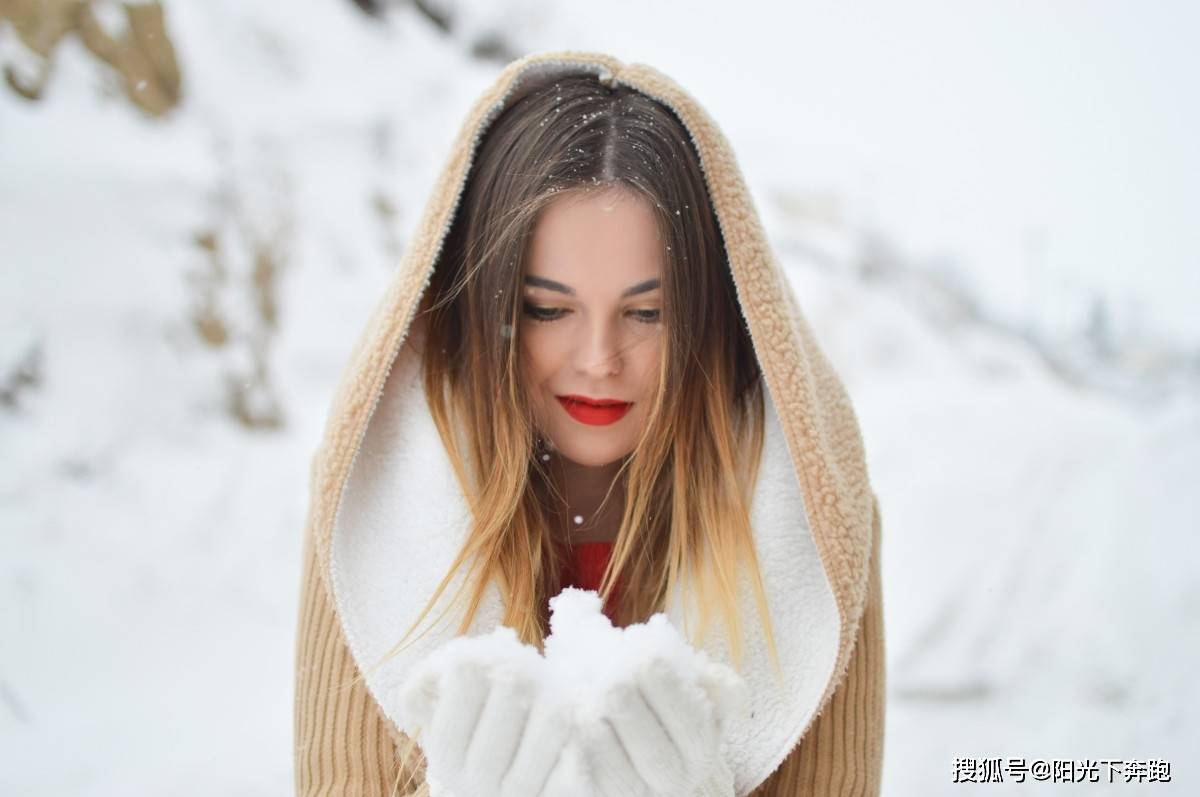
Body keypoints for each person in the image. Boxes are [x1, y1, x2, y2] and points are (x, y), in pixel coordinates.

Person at [294, 50, 886, 796]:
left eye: (646, 312)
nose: (600, 359)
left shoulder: (810, 524)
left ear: (711, 317)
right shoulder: (372, 503)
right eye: (548, 309)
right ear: (486, 308)